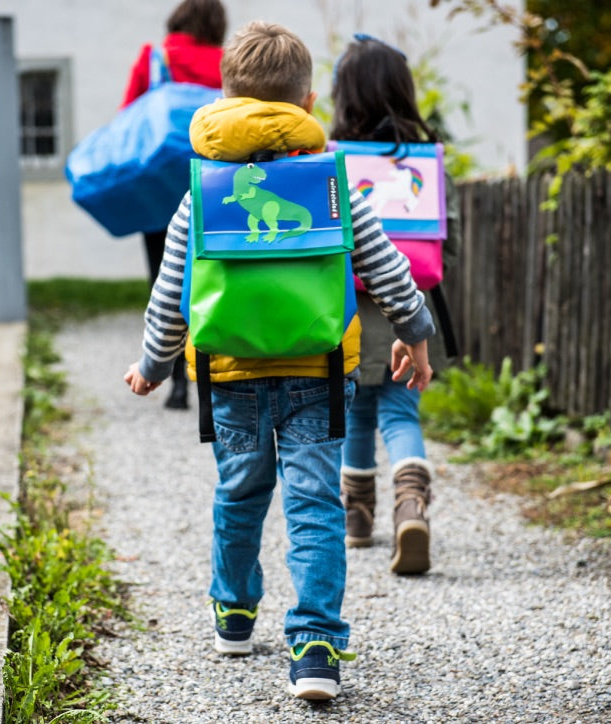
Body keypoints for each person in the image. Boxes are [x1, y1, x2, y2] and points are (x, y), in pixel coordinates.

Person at [123, 21, 436, 700]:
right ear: (303, 100)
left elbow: (171, 291)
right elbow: (384, 266)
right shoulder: (331, 183)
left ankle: (234, 613)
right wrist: (415, 331)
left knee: (238, 494)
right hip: (316, 371)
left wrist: (153, 362)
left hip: (228, 374)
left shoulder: (200, 190)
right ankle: (316, 641)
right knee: (315, 504)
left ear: (227, 95)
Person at [329, 35, 461, 575]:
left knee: (356, 406)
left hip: (348, 311)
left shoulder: (329, 164)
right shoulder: (428, 165)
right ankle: (412, 504)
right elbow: (448, 243)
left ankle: (357, 517)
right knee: (401, 410)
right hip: (410, 308)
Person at [120, 0, 227, 410]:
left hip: (158, 190)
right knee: (212, 276)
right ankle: (214, 374)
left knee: (163, 281)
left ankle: (177, 382)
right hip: (213, 186)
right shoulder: (226, 62)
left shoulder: (155, 59)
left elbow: (129, 118)